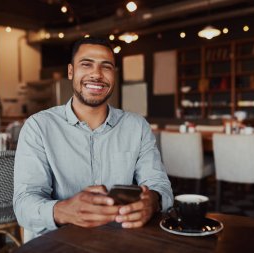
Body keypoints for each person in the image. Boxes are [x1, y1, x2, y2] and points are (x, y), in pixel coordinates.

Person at [13, 37, 173, 241]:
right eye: (86, 64)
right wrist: (64, 210)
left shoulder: (136, 126)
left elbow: (159, 185)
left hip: (120, 241)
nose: (97, 74)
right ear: (71, 71)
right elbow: (23, 205)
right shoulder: (38, 127)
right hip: (57, 243)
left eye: (106, 67)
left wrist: (154, 200)